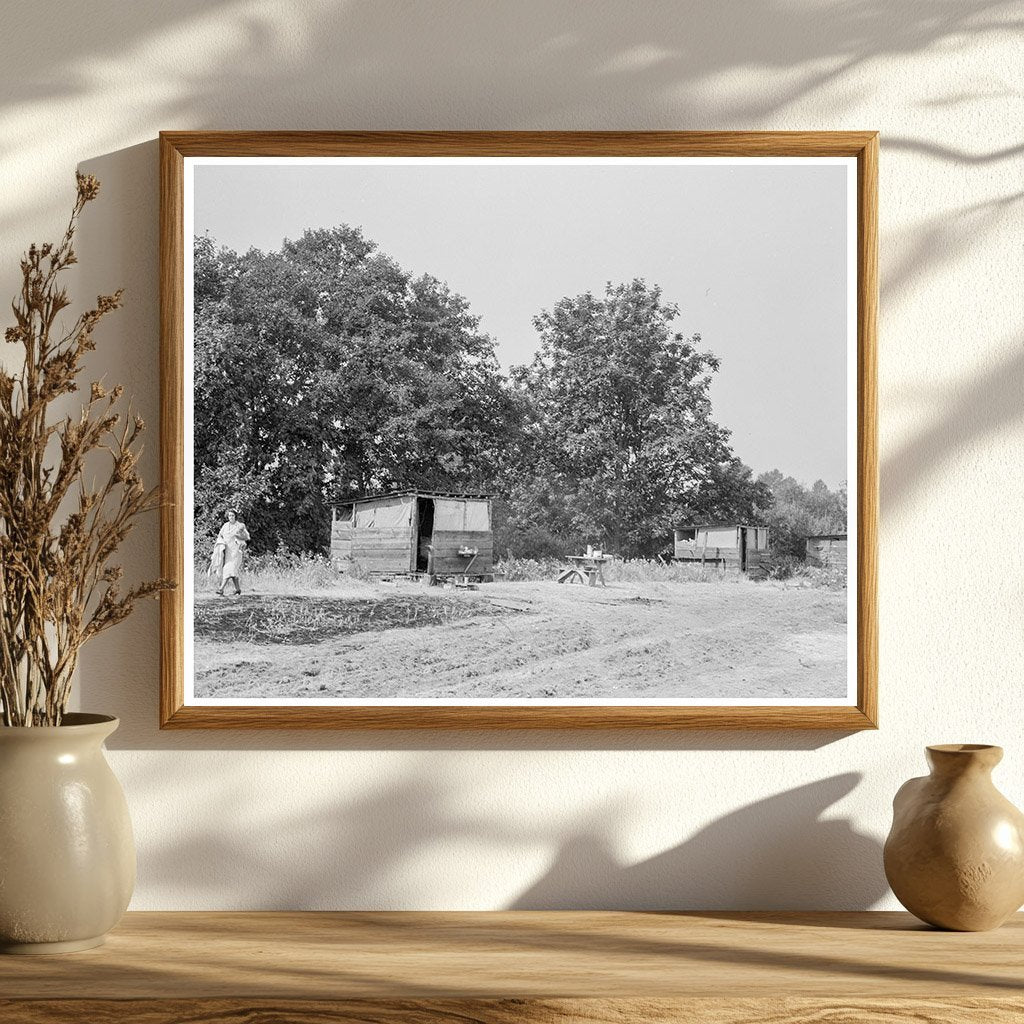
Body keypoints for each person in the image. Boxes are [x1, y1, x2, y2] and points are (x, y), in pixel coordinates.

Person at [213, 510, 250, 596]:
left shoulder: (240, 525)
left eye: (232, 515)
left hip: (236, 551)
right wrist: (220, 544)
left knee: (229, 568)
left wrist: (238, 535)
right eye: (229, 515)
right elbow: (220, 535)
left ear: (235, 516)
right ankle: (238, 589)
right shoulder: (225, 526)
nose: (231, 517)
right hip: (228, 551)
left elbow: (247, 537)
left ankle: (221, 589)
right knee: (233, 571)